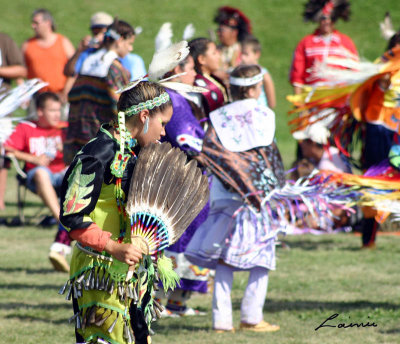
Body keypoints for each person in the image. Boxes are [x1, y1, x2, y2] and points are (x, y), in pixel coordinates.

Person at [59, 81, 173, 344]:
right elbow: (72, 219)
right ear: (144, 116)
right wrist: (113, 247)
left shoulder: (135, 151)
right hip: (98, 270)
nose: (164, 133)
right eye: (162, 123)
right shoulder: (96, 154)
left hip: (133, 269)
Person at [185, 64, 284, 333]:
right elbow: (269, 156)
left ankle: (222, 322)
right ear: (253, 88)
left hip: (224, 193)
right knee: (262, 256)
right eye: (260, 86)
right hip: (257, 197)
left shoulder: (218, 116)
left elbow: (211, 153)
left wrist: (233, 177)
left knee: (223, 259)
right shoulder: (264, 115)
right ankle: (252, 317)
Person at [157, 55, 211, 316]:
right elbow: (185, 139)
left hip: (187, 179)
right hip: (181, 180)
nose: (195, 76)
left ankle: (176, 302)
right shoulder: (172, 99)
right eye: (190, 70)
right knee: (176, 240)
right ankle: (159, 302)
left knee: (187, 240)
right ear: (176, 70)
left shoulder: (174, 97)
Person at [4, 92, 71, 271]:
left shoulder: (65, 128)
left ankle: (70, 219)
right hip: (36, 177)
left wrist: (67, 148)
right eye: (52, 110)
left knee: (74, 173)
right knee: (41, 172)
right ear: (40, 112)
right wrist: (33, 159)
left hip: (62, 173)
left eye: (59, 110)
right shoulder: (26, 128)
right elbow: (8, 149)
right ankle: (62, 220)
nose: (57, 114)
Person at [63, 19, 133, 164]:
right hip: (100, 142)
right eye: (129, 43)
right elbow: (121, 104)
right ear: (120, 41)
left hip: (77, 135)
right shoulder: (114, 67)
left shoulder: (89, 59)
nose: (130, 49)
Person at [289, 0, 358, 95]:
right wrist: (299, 104)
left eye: (332, 18)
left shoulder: (346, 43)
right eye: (323, 18)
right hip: (313, 100)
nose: (327, 22)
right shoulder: (306, 43)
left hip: (340, 101)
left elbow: (355, 73)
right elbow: (297, 76)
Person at [22, 8, 75, 106]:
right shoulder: (28, 45)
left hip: (59, 96)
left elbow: (74, 69)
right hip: (36, 97)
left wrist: (65, 92)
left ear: (48, 23)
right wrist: (24, 93)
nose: (33, 26)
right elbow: (20, 70)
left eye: (36, 23)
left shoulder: (63, 42)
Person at [0, 32, 27, 211]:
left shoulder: (3, 40)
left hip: (2, 107)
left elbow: (21, 70)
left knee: (2, 154)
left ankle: (0, 201)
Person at [64, 11, 114, 78]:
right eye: (95, 33)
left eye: (102, 33)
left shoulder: (116, 53)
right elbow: (69, 72)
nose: (98, 37)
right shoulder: (88, 52)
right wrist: (79, 50)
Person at [189, 37, 228, 115]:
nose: (218, 56)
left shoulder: (211, 77)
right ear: (202, 59)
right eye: (214, 53)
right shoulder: (198, 86)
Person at [214, 6, 252, 77]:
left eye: (221, 31)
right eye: (218, 30)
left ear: (234, 32)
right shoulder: (216, 50)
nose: (218, 33)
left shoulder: (243, 51)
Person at [240, 35, 276, 109]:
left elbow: (272, 103)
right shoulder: (239, 73)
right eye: (242, 53)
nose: (242, 58)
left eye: (246, 54)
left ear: (257, 54)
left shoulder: (264, 75)